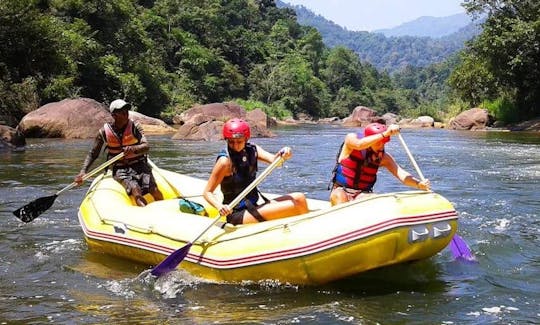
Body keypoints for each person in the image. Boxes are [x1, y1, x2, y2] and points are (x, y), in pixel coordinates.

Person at [203, 118, 309, 225]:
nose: (235, 146)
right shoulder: (224, 162)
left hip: (253, 206)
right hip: (237, 214)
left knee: (300, 198)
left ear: (246, 139)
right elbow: (207, 192)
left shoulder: (252, 150)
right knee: (294, 206)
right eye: (231, 142)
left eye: (239, 141)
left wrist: (284, 153)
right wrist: (220, 206)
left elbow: (275, 161)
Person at [74, 99, 163, 207]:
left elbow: (146, 146)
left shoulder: (135, 127)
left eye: (126, 111)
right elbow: (93, 154)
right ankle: (145, 213)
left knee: (153, 189)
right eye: (121, 112)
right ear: (114, 115)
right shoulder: (103, 132)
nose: (125, 114)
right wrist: (83, 171)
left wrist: (133, 148)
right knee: (135, 190)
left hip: (140, 165)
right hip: (120, 169)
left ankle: (165, 211)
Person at [329, 122, 431, 206]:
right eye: (379, 141)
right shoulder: (351, 140)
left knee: (375, 200)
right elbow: (359, 144)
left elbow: (401, 174)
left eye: (383, 142)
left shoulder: (383, 157)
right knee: (339, 196)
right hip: (341, 190)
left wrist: (419, 184)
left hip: (362, 193)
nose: (381, 145)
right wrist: (385, 134)